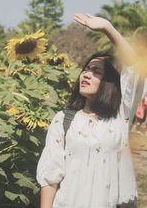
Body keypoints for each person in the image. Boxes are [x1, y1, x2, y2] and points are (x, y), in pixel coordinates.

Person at [36, 14, 141, 208]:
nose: (86, 74)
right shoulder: (64, 120)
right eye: (86, 69)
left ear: (109, 83)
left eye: (96, 72)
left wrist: (108, 28)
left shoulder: (120, 116)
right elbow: (50, 177)